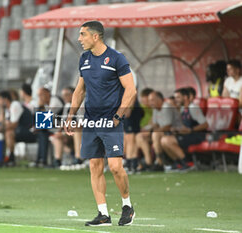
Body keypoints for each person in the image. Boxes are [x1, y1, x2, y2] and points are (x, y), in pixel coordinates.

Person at [64, 21, 137, 226]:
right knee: (95, 166)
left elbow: (131, 90)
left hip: (111, 121)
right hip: (90, 121)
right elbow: (79, 91)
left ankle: (127, 206)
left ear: (95, 37)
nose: (79, 39)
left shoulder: (116, 58)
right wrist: (70, 115)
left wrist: (118, 116)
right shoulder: (84, 59)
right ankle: (103, 214)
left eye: (82, 34)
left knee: (115, 167)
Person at [161, 88, 208, 171]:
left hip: (196, 136)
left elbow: (205, 125)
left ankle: (188, 163)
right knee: (163, 140)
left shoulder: (193, 108)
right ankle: (178, 163)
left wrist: (191, 129)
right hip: (186, 135)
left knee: (167, 141)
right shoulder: (182, 109)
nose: (176, 100)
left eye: (178, 97)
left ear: (185, 97)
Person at [136, 91, 182, 170]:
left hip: (175, 133)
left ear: (159, 99)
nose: (150, 103)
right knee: (139, 136)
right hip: (162, 133)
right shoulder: (156, 109)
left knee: (155, 134)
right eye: (149, 100)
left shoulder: (166, 107)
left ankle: (159, 161)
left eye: (152, 100)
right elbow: (155, 124)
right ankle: (148, 162)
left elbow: (168, 126)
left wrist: (151, 132)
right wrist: (146, 130)